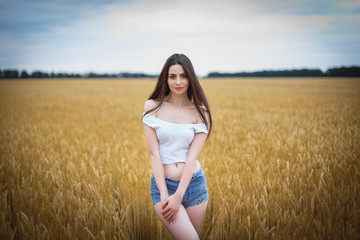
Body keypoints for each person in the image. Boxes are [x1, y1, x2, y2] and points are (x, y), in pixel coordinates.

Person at [142, 53, 212, 239]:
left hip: (194, 184)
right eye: (172, 76)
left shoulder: (201, 112)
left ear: (191, 78)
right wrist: (165, 193)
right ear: (165, 78)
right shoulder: (152, 107)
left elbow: (192, 157)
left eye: (183, 76)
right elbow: (153, 153)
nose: (178, 81)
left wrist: (179, 195)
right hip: (163, 186)